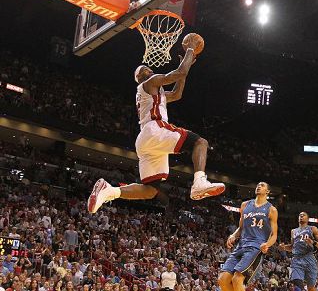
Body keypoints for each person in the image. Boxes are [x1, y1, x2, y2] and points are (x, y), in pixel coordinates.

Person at [87, 46, 225, 213]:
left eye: (149, 68)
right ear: (139, 78)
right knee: (200, 142)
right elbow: (177, 73)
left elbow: (177, 93)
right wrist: (190, 51)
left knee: (151, 190)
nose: (149, 69)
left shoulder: (155, 93)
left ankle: (110, 191)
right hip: (155, 128)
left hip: (146, 139)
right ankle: (199, 182)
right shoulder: (149, 83)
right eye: (144, 69)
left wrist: (185, 67)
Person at [218, 182, 278, 291]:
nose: (259, 186)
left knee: (237, 279)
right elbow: (240, 228)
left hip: (255, 248)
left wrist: (267, 244)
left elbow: (274, 235)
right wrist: (233, 235)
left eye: (262, 185)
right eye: (258, 185)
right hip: (240, 246)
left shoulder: (271, 210)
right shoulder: (245, 205)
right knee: (222, 279)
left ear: (267, 191)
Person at [278, 212, 318, 291]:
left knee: (311, 288)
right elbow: (292, 247)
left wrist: (313, 242)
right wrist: (284, 247)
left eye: (303, 215)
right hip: (296, 259)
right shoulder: (293, 231)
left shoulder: (313, 229)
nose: (301, 216)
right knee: (297, 284)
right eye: (300, 215)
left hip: (309, 258)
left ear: (307, 218)